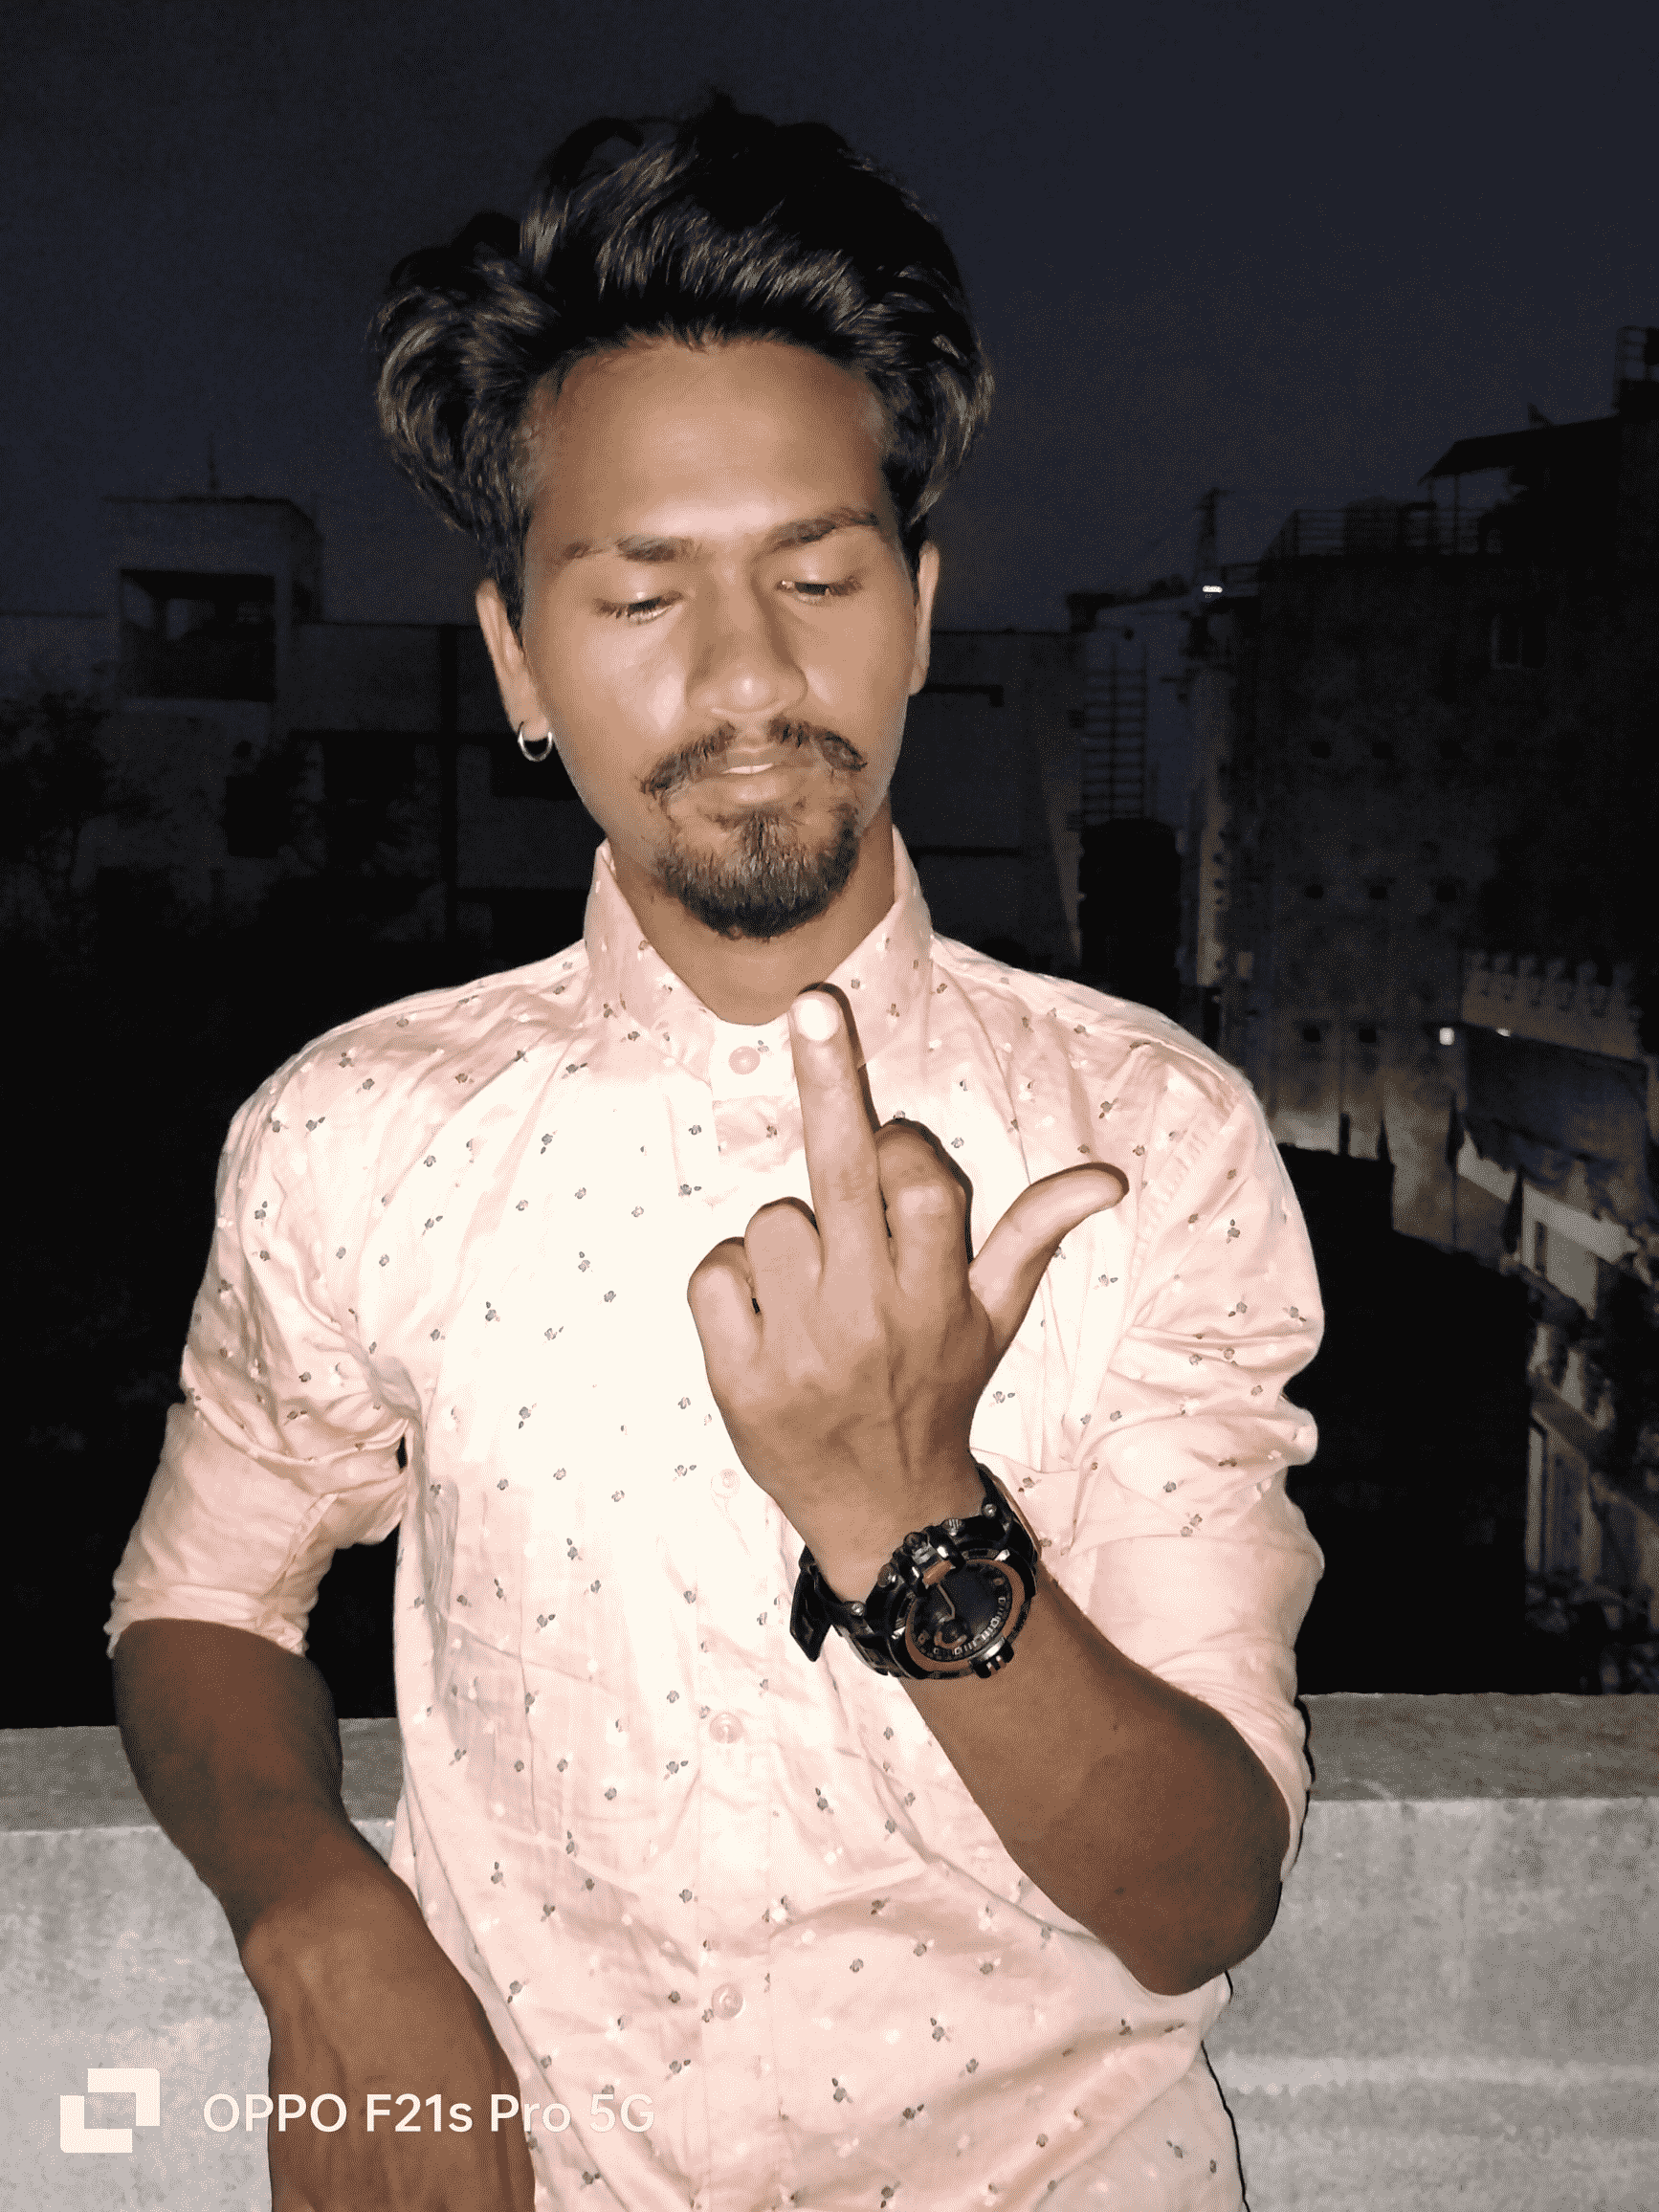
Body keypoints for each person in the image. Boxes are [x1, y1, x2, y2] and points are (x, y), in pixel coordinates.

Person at [109, 94, 1325, 2211]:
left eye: (819, 576)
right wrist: (313, 1913)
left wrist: (908, 1517)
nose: (748, 674)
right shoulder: (355, 1135)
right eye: (639, 594)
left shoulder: (1149, 1139)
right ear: (516, 657)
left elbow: (1200, 1893)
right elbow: (202, 1598)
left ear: (919, 612)